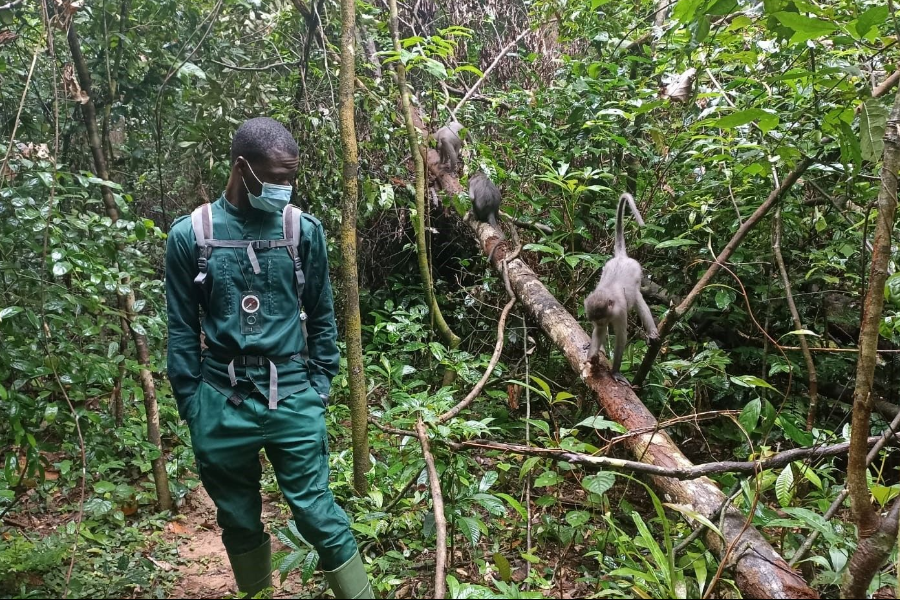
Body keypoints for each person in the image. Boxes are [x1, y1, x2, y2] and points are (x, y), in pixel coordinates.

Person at [165, 117, 373, 599]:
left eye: (290, 177)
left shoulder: (301, 230)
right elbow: (181, 328)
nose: (286, 187)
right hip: (219, 400)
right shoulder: (190, 235)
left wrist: (321, 384)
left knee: (318, 513)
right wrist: (192, 404)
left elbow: (322, 314)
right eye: (277, 178)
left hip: (294, 396)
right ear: (243, 168)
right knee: (237, 518)